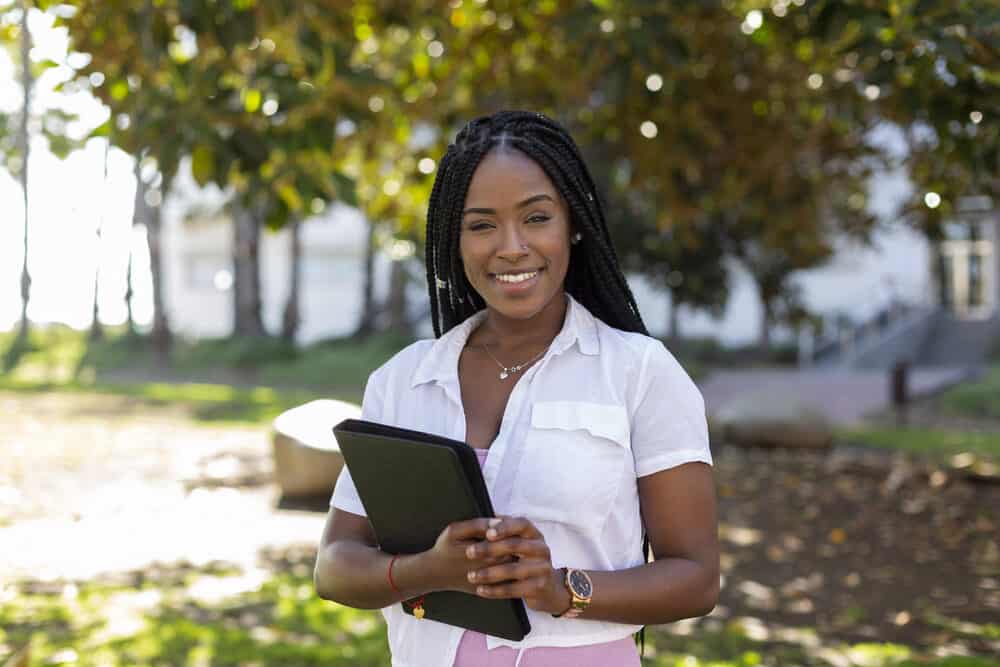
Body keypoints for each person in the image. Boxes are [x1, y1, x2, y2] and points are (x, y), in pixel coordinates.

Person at [314, 110, 719, 667]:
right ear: (454, 239)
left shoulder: (640, 373)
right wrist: (428, 570)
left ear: (572, 222)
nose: (511, 247)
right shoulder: (402, 382)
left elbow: (696, 578)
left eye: (536, 218)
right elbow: (334, 565)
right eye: (481, 225)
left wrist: (560, 588)